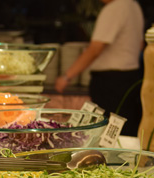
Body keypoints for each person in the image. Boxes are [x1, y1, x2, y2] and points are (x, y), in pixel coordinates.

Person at [55, 0, 145, 136]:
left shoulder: (114, 9)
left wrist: (67, 77)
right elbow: (140, 45)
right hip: (131, 77)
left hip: (111, 82)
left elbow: (95, 49)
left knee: (107, 133)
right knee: (127, 130)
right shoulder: (134, 6)